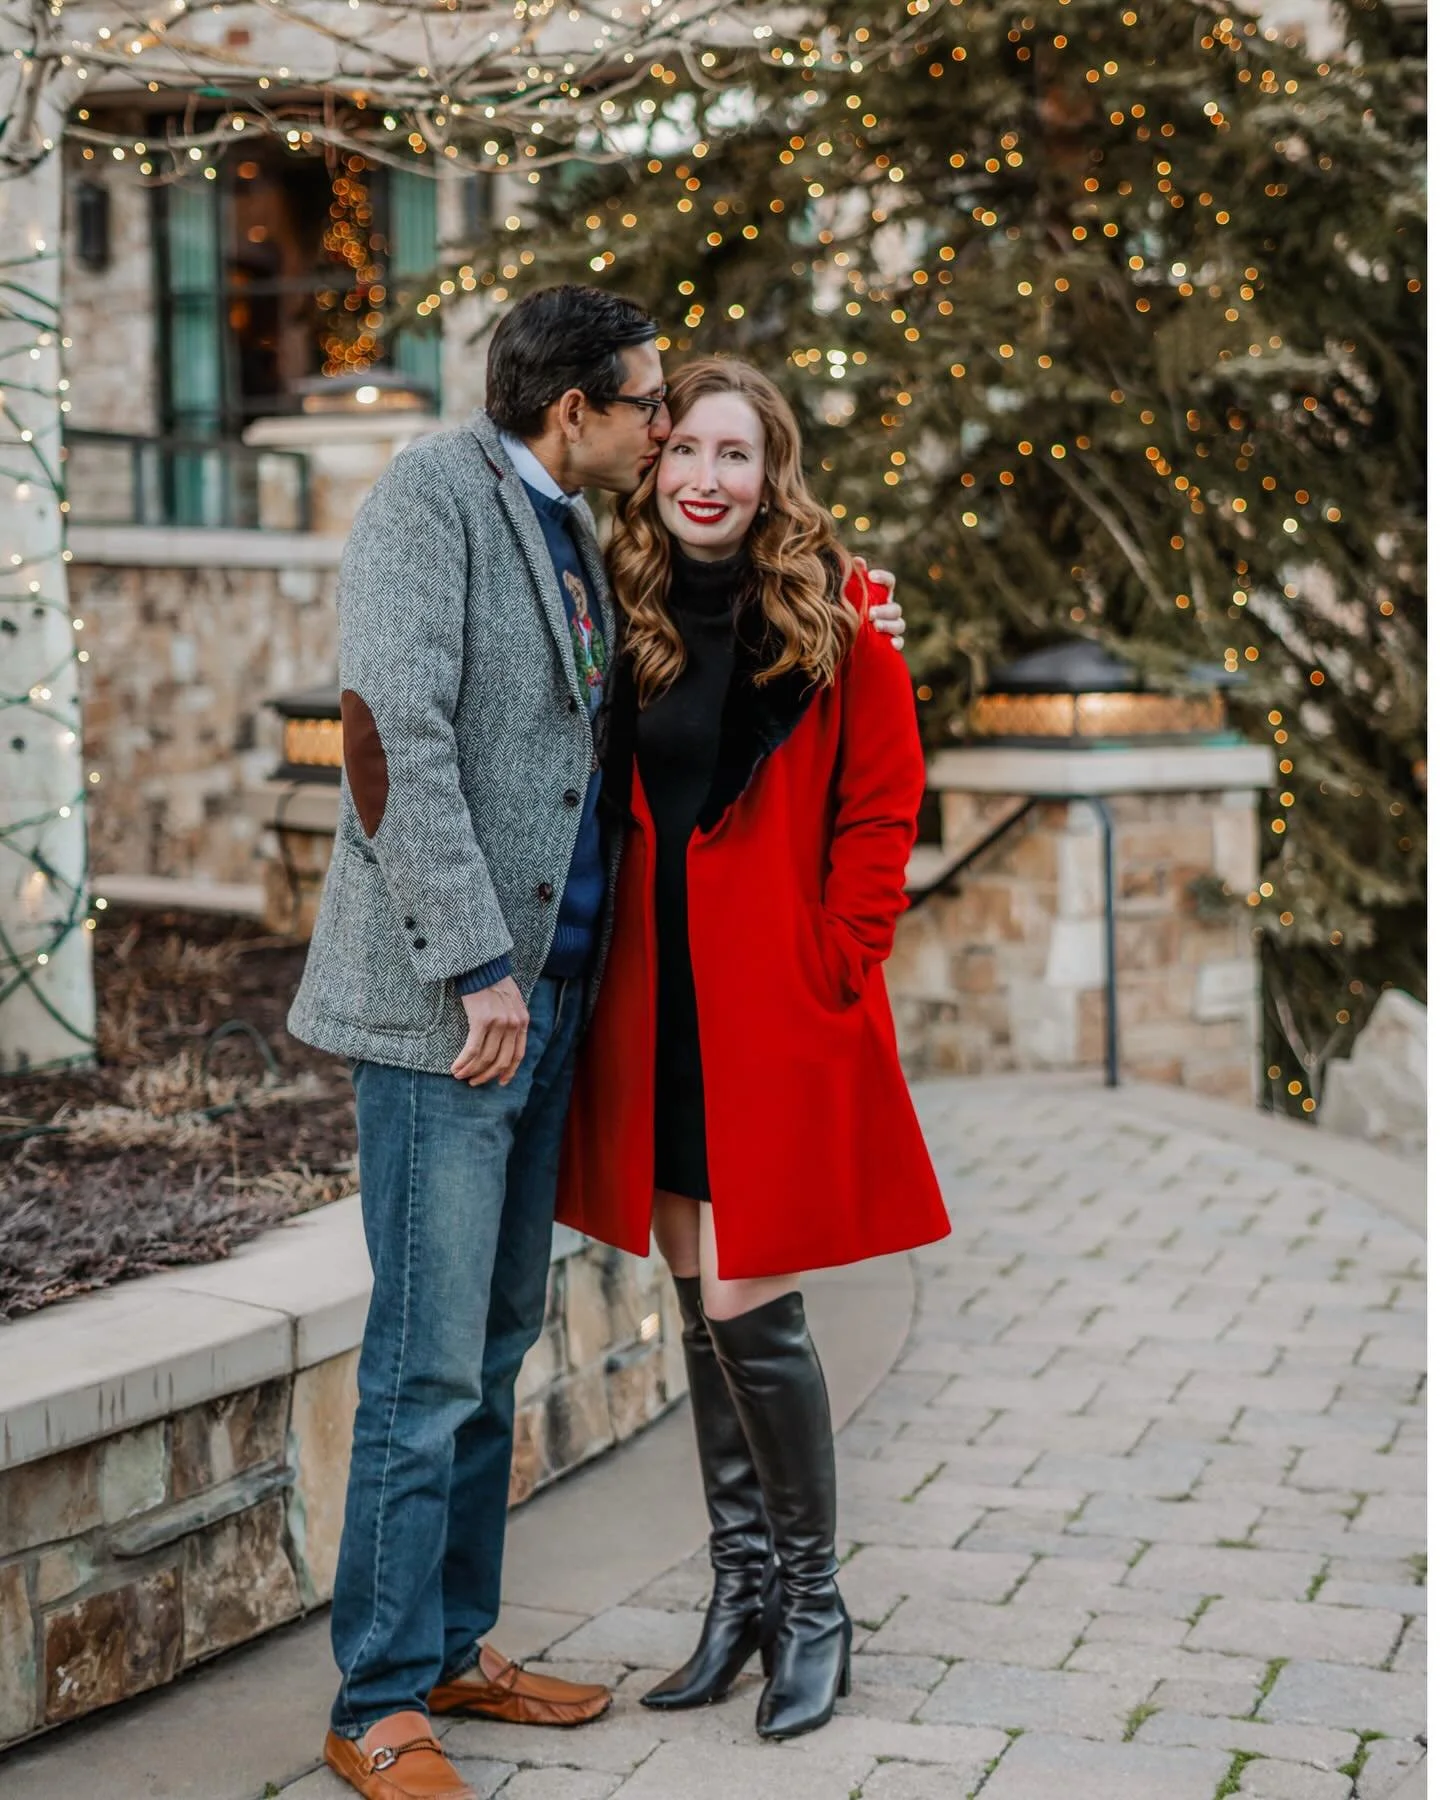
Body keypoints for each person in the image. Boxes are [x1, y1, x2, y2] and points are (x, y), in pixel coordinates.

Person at [287, 289, 906, 1800]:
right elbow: (391, 735)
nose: (669, 443)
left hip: (566, 1011)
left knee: (494, 1350)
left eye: (711, 438)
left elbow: (829, 777)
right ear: (583, 408)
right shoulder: (443, 493)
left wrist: (821, 960)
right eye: (652, 411)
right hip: (458, 1010)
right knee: (425, 1367)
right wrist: (479, 963)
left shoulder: (590, 533)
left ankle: (457, 1645)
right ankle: (377, 1700)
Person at [556, 358, 951, 1744]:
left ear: (771, 469)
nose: (705, 478)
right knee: (691, 1291)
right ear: (657, 471)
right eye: (685, 455)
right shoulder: (627, 601)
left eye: (733, 453)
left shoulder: (840, 612)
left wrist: (837, 955)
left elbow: (884, 803)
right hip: (653, 1006)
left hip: (771, 1004)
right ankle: (740, 1595)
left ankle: (817, 1605)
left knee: (748, 1309)